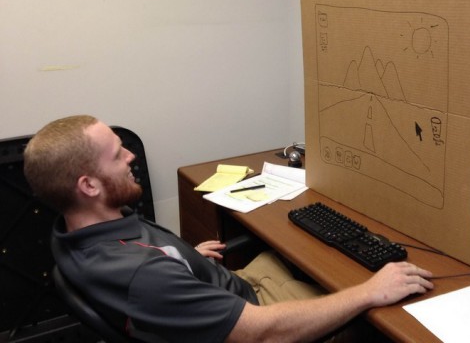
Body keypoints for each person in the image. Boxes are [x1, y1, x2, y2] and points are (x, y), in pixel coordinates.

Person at [24, 115, 434, 342]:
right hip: (255, 319)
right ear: (89, 186)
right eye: (117, 155)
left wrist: (185, 260)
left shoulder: (76, 230)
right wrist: (368, 292)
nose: (131, 155)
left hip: (221, 289)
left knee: (294, 253)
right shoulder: (144, 276)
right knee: (384, 320)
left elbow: (150, 275)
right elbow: (262, 333)